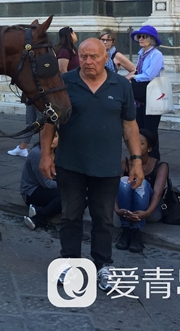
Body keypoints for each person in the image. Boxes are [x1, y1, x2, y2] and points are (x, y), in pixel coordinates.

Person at [40, 38, 144, 292]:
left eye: (94, 57)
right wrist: (45, 155)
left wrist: (136, 161)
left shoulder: (120, 85)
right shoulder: (65, 82)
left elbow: (130, 125)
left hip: (107, 166)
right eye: (84, 56)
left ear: (106, 55)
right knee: (71, 216)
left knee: (103, 219)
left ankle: (102, 264)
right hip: (70, 164)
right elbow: (49, 122)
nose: (88, 62)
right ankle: (70, 262)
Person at [114, 128, 168, 253]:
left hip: (150, 211)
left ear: (149, 148)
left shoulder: (160, 166)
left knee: (140, 182)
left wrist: (147, 213)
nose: (136, 145)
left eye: (141, 143)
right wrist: (117, 210)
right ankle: (126, 230)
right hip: (125, 211)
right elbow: (111, 190)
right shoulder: (125, 163)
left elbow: (157, 195)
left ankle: (137, 232)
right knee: (124, 181)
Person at [126, 25, 164, 160]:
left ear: (152, 39)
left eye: (144, 36)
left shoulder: (156, 54)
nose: (141, 39)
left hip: (152, 95)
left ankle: (154, 159)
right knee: (140, 128)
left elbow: (149, 75)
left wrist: (133, 76)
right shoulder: (141, 53)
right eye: (140, 36)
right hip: (141, 96)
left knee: (151, 130)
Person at [22, 132, 61, 229]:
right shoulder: (37, 154)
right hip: (32, 191)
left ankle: (37, 209)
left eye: (55, 136)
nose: (52, 140)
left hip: (51, 187)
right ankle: (38, 218)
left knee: (81, 201)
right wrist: (66, 186)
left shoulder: (59, 152)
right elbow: (46, 183)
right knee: (67, 198)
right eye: (49, 137)